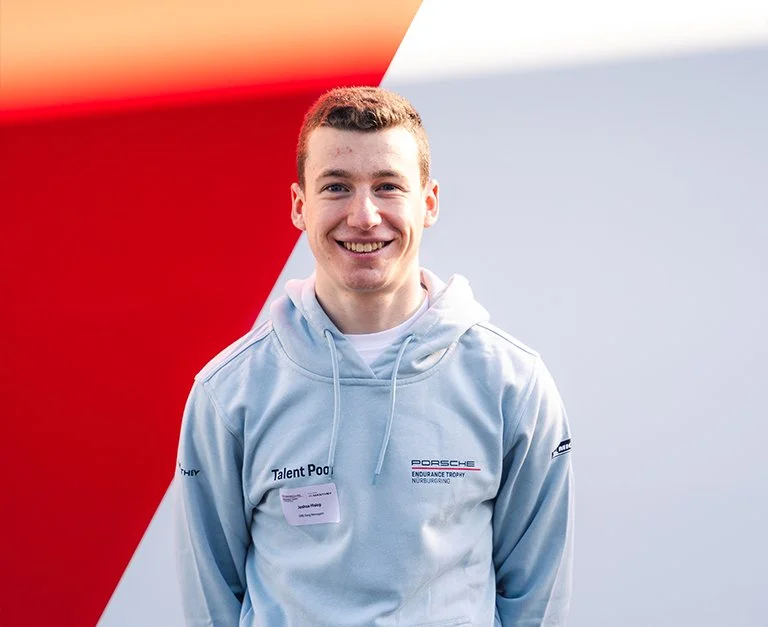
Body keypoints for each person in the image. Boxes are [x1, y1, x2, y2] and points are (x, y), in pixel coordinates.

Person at [174, 86, 574, 626]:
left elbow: (537, 602)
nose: (364, 216)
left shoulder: (512, 384)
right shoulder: (229, 394)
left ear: (429, 202)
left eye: (388, 186)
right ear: (299, 206)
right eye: (336, 187)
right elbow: (211, 604)